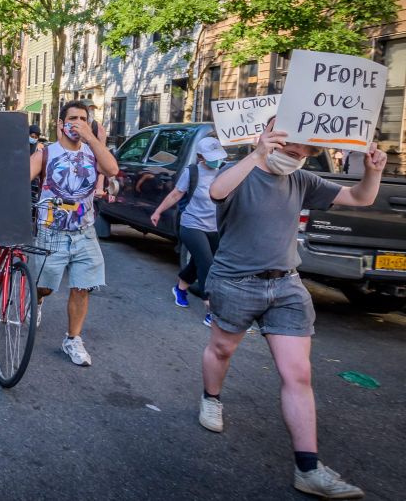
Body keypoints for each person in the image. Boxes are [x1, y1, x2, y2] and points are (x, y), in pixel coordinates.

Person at [199, 119, 385, 499]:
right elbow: (216, 192)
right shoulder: (242, 171)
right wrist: (257, 153)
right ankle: (211, 398)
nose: (295, 160)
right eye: (290, 152)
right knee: (222, 349)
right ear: (271, 139)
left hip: (286, 284)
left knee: (298, 373)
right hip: (235, 282)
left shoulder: (303, 181)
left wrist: (373, 171)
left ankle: (308, 468)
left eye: (303, 155)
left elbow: (360, 198)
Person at [29, 100, 119, 365]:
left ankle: (72, 339)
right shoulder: (46, 153)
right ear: (60, 123)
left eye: (83, 118)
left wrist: (91, 137)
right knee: (45, 287)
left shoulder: (93, 152)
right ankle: (38, 300)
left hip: (84, 231)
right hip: (52, 230)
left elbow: (112, 170)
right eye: (72, 119)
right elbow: (18, 178)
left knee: (82, 287)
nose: (77, 123)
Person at [149, 136, 227, 325]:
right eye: (211, 156)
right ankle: (211, 310)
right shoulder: (192, 172)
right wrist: (158, 211)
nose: (215, 159)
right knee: (207, 265)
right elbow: (176, 194)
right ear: (201, 156)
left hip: (214, 227)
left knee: (200, 261)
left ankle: (180, 288)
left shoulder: (225, 170)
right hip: (192, 225)